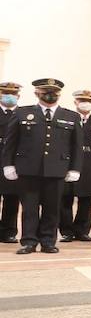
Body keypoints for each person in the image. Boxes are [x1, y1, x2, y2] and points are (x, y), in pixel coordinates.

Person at [1, 78, 82, 254]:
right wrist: (8, 165)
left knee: (52, 208)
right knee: (29, 208)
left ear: (60, 94)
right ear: (37, 93)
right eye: (45, 91)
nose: (50, 94)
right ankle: (29, 241)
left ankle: (48, 241)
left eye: (54, 91)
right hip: (28, 169)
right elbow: (11, 142)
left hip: (57, 169)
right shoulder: (22, 113)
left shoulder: (71, 116)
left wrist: (75, 168)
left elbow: (76, 146)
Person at [58, 89, 91, 243]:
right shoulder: (67, 118)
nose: (86, 104)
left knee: (86, 199)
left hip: (89, 161)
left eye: (90, 101)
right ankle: (66, 231)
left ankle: (82, 231)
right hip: (69, 161)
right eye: (82, 101)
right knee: (66, 198)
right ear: (75, 102)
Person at [0, 81, 22, 242]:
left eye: (13, 94)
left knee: (12, 198)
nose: (9, 96)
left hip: (14, 161)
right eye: (5, 93)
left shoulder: (23, 114)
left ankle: (8, 231)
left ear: (18, 96)